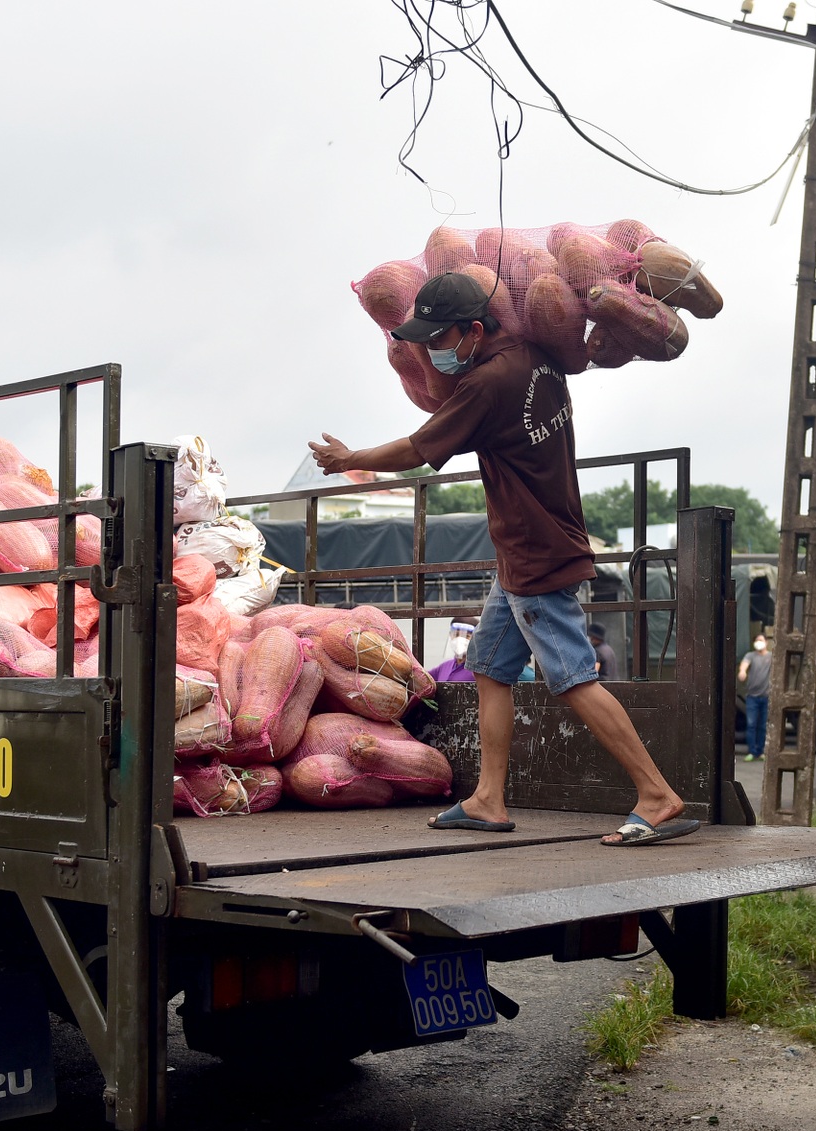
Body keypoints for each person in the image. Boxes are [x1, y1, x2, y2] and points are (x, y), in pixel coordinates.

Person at [308, 270, 698, 848]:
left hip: (535, 555)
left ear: (472, 330)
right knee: (490, 668)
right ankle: (488, 799)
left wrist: (350, 459)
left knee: (573, 678)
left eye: (439, 339)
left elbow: (417, 448)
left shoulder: (488, 384)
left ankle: (657, 795)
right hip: (528, 549)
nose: (431, 351)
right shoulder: (534, 355)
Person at [735, 632, 771, 761]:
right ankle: (751, 751)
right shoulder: (750, 655)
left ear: (766, 642)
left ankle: (760, 751)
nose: (759, 643)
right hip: (752, 697)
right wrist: (742, 672)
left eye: (761, 640)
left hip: (766, 697)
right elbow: (744, 665)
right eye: (757, 640)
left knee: (763, 726)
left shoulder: (771, 657)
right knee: (751, 725)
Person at [427, 617, 477, 682]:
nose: (460, 640)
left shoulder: (478, 670)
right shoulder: (444, 667)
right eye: (456, 635)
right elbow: (421, 679)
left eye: (467, 636)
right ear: (450, 635)